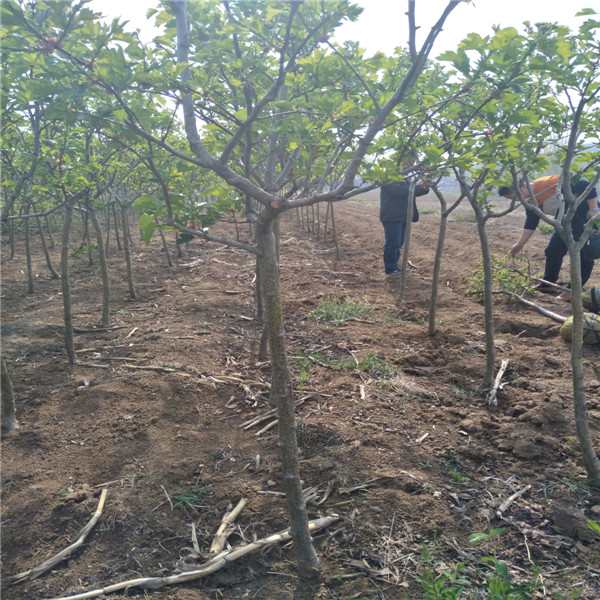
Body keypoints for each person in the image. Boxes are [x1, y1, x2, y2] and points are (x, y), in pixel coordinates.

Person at [498, 176, 599, 300]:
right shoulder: (529, 199)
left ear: (521, 191)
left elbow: (584, 182)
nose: (519, 201)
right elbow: (531, 221)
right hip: (564, 222)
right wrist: (520, 243)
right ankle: (548, 284)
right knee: (553, 250)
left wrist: (594, 209)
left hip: (585, 217)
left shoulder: (548, 183)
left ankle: (572, 291)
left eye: (517, 198)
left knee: (585, 255)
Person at [379, 180, 430, 276]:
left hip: (403, 216)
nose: (407, 165)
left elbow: (411, 191)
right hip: (392, 216)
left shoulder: (406, 178)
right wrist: (419, 186)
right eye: (405, 163)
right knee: (393, 243)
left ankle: (394, 266)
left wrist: (425, 187)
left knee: (399, 243)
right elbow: (400, 191)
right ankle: (390, 269)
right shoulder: (389, 179)